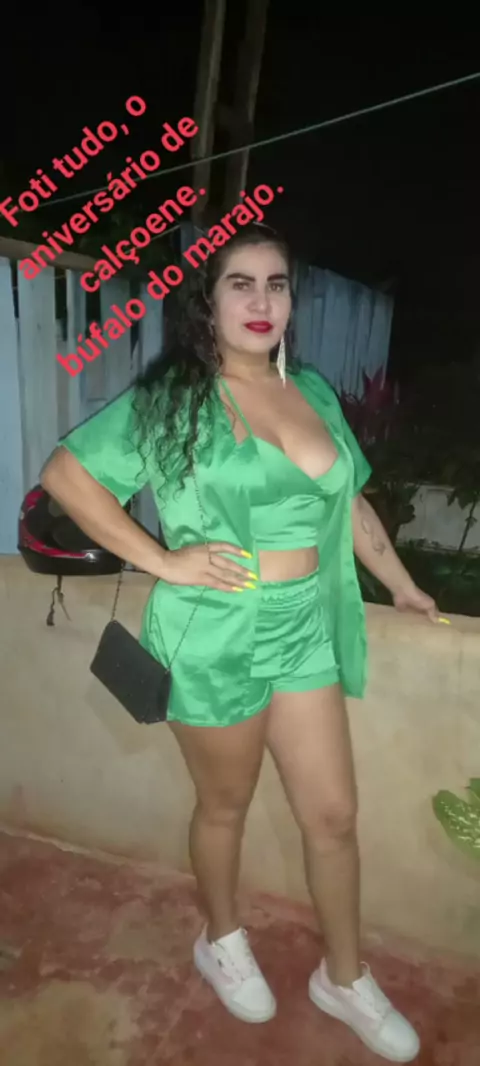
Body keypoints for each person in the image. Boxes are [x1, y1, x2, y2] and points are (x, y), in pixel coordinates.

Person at [42, 225, 436, 1062]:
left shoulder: (313, 391)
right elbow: (67, 477)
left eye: (277, 284)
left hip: (303, 627)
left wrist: (400, 584)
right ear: (208, 302)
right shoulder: (174, 398)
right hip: (214, 629)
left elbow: (349, 503)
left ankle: (345, 976)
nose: (262, 301)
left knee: (333, 815)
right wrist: (161, 560)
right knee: (224, 804)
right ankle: (220, 938)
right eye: (241, 284)